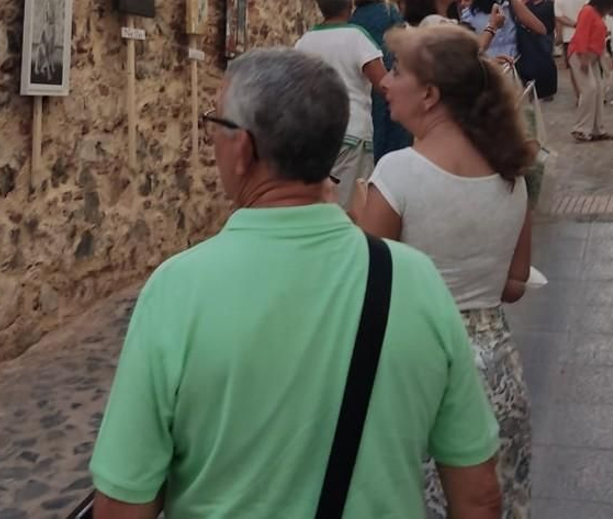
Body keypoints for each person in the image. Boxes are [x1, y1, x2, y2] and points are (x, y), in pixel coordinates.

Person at [89, 49, 504, 518]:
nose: (210, 139)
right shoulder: (414, 280)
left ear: (243, 148)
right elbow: (478, 492)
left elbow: (124, 504)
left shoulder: (176, 291)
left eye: (215, 123)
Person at [354, 27, 534, 518]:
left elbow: (367, 285)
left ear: (430, 95)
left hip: (419, 364)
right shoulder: (510, 176)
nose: (385, 83)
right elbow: (515, 282)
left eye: (396, 71)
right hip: (496, 366)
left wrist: (355, 218)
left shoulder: (397, 174)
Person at [295, 0, 387, 210]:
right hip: (353, 132)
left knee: (318, 204)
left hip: (315, 134)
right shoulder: (357, 38)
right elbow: (383, 84)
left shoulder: (304, 42)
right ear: (350, 3)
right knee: (352, 206)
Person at [352, 0, 412, 161]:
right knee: (395, 129)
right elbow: (404, 40)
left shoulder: (354, 17)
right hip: (389, 73)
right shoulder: (389, 11)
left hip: (366, 77)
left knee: (375, 128)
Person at [462, 0, 546, 66]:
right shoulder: (510, 5)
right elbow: (541, 29)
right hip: (511, 62)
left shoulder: (468, 14)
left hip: (485, 66)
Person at [566, 0, 613, 142]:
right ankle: (581, 128)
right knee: (589, 89)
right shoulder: (588, 11)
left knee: (598, 90)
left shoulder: (596, 14)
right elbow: (582, 33)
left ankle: (597, 128)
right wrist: (583, 56)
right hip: (580, 54)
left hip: (592, 56)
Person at [515, 0, 557, 102]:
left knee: (547, 61)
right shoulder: (526, 5)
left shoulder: (549, 4)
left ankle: (548, 90)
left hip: (546, 36)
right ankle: (535, 89)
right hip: (530, 37)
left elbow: (555, 18)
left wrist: (557, 33)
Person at [553, 0, 591, 102]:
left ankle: (579, 95)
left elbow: (558, 17)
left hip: (569, 37)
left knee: (574, 69)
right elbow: (590, 11)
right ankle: (589, 92)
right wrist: (581, 23)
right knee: (588, 66)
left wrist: (573, 24)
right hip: (586, 35)